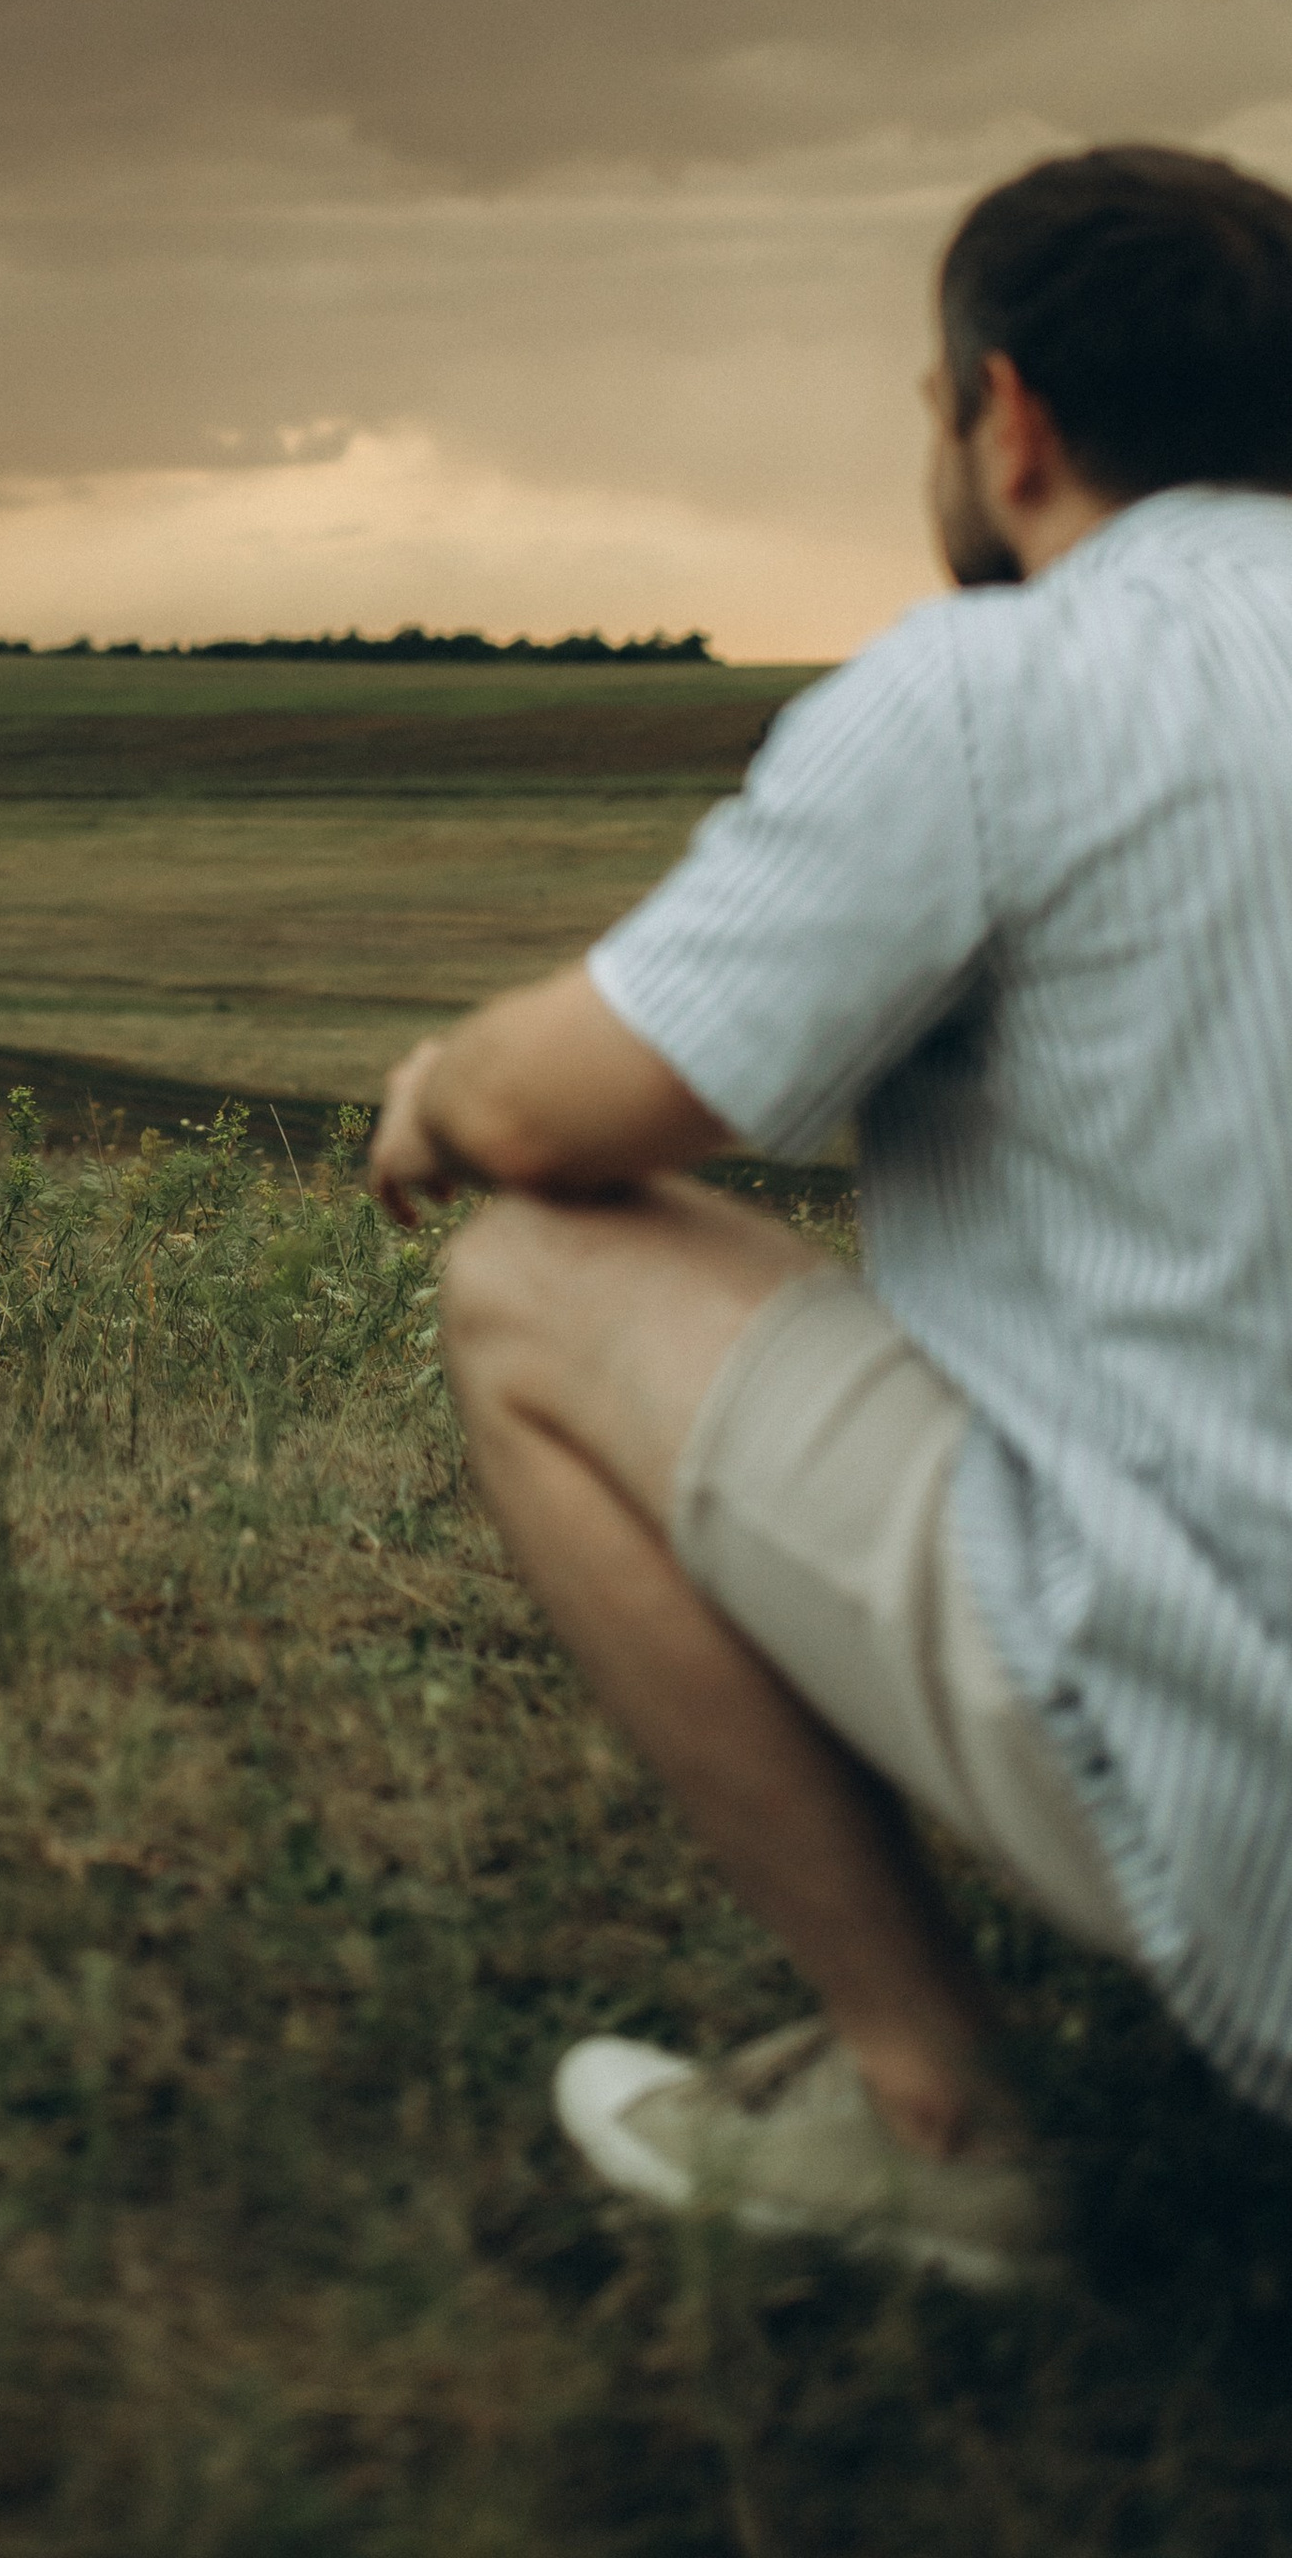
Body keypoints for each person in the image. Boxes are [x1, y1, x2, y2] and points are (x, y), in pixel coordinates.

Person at [370, 143, 1292, 2284]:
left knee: (527, 1281)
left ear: (1007, 417)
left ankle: (923, 2109)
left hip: (1248, 1792)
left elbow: (549, 1108)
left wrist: (436, 1087)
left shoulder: (997, 687)